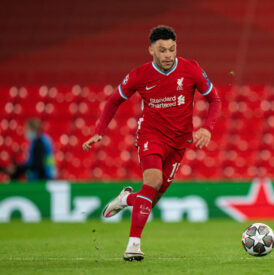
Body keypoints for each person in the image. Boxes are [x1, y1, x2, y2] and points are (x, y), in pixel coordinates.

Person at [82, 25, 221, 261]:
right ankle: (133, 246)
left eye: (172, 49)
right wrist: (99, 131)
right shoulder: (139, 75)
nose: (168, 55)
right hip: (151, 137)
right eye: (162, 50)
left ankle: (126, 199)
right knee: (153, 181)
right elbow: (113, 100)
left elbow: (214, 99)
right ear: (151, 50)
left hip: (179, 143)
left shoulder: (191, 69)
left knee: (151, 197)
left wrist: (207, 128)